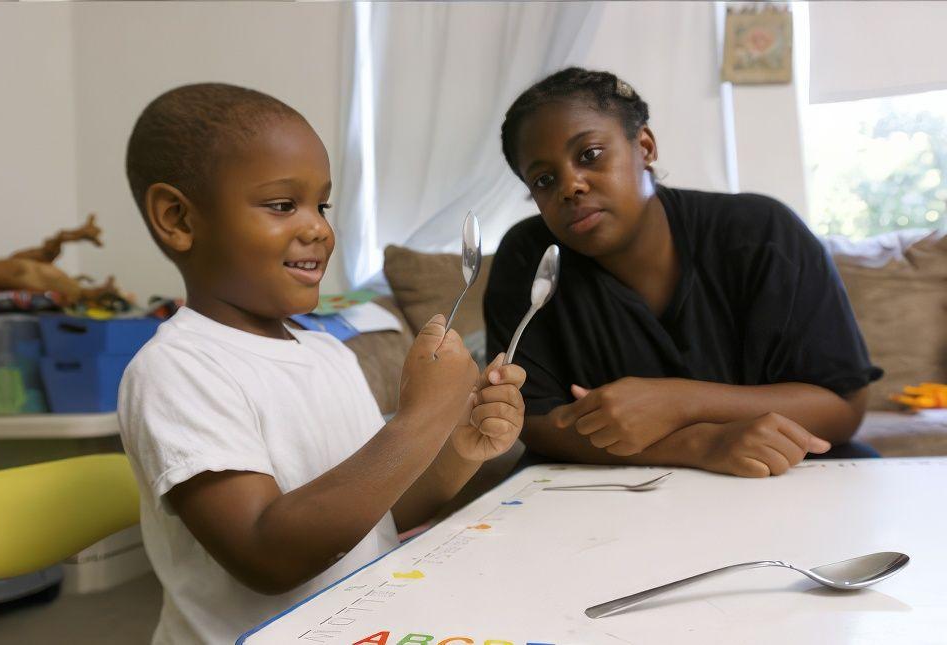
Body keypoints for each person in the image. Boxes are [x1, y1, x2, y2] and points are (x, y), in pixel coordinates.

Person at [119, 83, 526, 644]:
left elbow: (377, 512)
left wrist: (459, 448)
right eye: (283, 204)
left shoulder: (327, 353)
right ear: (179, 219)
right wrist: (423, 417)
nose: (318, 228)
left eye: (322, 205)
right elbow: (267, 554)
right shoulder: (178, 369)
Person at [485, 67, 882, 478]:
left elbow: (842, 408)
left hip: (781, 478)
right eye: (544, 180)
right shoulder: (529, 258)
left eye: (590, 155)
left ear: (645, 146)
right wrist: (698, 444)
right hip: (612, 496)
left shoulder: (763, 233)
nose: (571, 186)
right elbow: (534, 423)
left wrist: (680, 401)